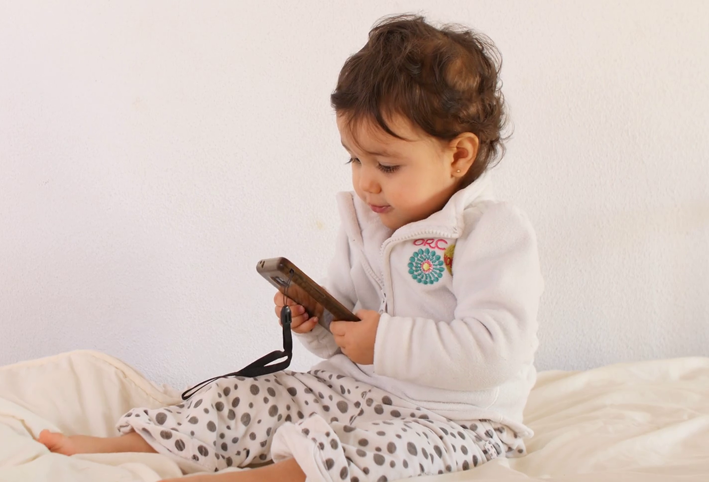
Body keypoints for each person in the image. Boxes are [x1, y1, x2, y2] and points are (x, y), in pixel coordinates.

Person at [38, 14, 543, 482]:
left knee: (377, 451)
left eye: (387, 166)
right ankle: (135, 445)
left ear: (458, 155)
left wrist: (385, 342)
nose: (366, 183)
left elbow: (497, 350)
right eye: (354, 160)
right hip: (358, 388)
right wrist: (313, 319)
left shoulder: (491, 232)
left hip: (457, 420)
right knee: (247, 397)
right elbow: (343, 329)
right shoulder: (365, 221)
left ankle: (265, 476)